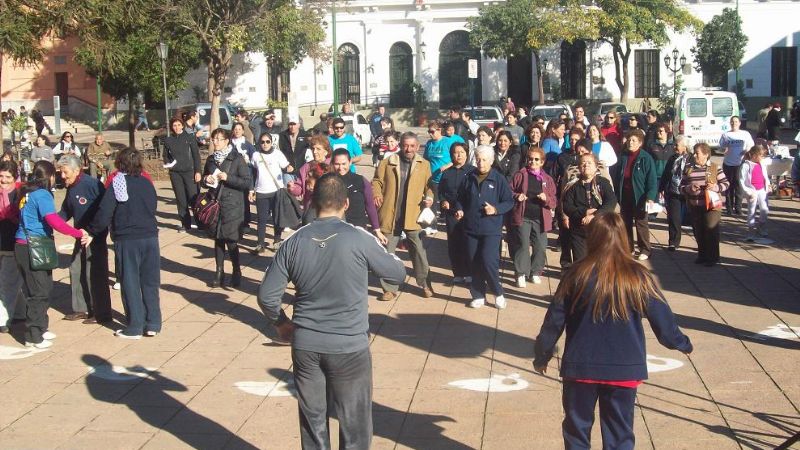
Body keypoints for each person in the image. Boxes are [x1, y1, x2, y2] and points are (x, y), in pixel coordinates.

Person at [257, 173, 405, 450]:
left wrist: (281, 323)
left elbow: (266, 295)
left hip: (307, 344)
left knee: (313, 421)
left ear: (313, 203)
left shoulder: (294, 241)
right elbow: (397, 273)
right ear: (346, 204)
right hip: (349, 345)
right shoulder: (359, 237)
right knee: (355, 424)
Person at [533, 211, 693, 450]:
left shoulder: (575, 274)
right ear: (623, 237)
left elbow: (553, 322)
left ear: (592, 238)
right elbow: (664, 322)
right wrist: (681, 343)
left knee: (576, 430)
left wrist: (542, 354)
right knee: (619, 433)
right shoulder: (639, 276)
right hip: (624, 368)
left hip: (581, 367)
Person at [87, 149, 160, 339]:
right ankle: (153, 323)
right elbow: (153, 205)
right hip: (150, 236)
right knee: (150, 281)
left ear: (120, 163)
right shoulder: (146, 182)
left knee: (130, 281)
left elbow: (105, 211)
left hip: (127, 237)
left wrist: (93, 231)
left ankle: (135, 326)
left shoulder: (117, 183)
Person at [16, 161, 88, 348]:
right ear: (49, 176)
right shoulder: (42, 195)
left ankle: (41, 327)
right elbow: (54, 221)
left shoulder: (27, 192)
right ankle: (33, 335)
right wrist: (78, 233)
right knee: (38, 292)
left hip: (29, 245)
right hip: (33, 245)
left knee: (45, 287)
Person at [372, 132, 434, 301]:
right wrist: (377, 193)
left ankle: (425, 284)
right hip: (391, 214)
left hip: (413, 215)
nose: (409, 149)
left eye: (412, 146)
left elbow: (430, 186)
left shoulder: (424, 164)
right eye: (405, 145)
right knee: (387, 254)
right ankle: (389, 289)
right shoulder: (388, 162)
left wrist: (429, 197)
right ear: (401, 145)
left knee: (419, 252)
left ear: (418, 147)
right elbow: (377, 180)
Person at [455, 145, 514, 309]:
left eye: (484, 160)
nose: (481, 163)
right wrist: (459, 209)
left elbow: (509, 202)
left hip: (491, 229)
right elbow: (460, 198)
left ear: (491, 161)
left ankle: (498, 292)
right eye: (478, 159)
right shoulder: (469, 177)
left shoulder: (498, 179)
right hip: (471, 228)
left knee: (489, 261)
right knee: (474, 262)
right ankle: (478, 295)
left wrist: (495, 209)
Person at [57, 155, 112, 324]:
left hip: (94, 235)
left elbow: (104, 209)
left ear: (76, 170)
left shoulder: (91, 185)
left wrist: (95, 232)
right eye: (61, 172)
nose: (62, 176)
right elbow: (66, 210)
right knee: (76, 269)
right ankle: (81, 308)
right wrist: (52, 220)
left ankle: (101, 312)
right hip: (80, 235)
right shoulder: (71, 187)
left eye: (65, 172)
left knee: (94, 274)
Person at [202, 128, 253, 288]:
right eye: (213, 139)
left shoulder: (236, 158)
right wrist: (206, 179)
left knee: (231, 240)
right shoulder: (211, 159)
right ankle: (219, 272)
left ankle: (236, 270)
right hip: (215, 203)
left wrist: (228, 178)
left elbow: (246, 181)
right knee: (217, 239)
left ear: (226, 141)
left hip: (233, 205)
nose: (215, 142)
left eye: (218, 139)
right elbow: (203, 181)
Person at [508, 146, 557, 287]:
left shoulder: (547, 179)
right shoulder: (520, 175)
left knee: (540, 246)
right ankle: (521, 273)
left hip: (540, 218)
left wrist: (546, 198)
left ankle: (535, 272)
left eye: (536, 159)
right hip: (523, 216)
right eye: (530, 159)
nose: (533, 162)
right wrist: (517, 195)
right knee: (523, 245)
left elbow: (554, 201)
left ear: (542, 162)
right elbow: (509, 192)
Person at [562, 153, 618, 262]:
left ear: (596, 166)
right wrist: (585, 212)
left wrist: (594, 215)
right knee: (581, 262)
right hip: (579, 229)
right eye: (583, 163)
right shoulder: (573, 185)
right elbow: (567, 206)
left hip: (600, 227)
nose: (586, 165)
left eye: (589, 163)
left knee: (601, 260)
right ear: (579, 167)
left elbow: (611, 201)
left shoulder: (603, 183)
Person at [680, 142, 729, 267]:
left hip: (712, 205)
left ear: (706, 154)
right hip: (695, 205)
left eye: (698, 153)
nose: (695, 156)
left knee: (710, 229)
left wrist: (715, 187)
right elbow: (681, 186)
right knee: (698, 231)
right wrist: (689, 188)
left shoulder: (714, 167)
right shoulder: (689, 168)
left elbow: (726, 184)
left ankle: (712, 257)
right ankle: (702, 255)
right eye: (694, 153)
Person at [614, 129, 657, 261]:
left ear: (640, 143)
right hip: (625, 195)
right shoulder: (623, 156)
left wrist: (650, 197)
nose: (630, 142)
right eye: (629, 140)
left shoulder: (646, 158)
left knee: (641, 223)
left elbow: (652, 180)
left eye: (633, 140)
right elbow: (617, 176)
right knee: (625, 222)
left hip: (640, 196)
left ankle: (645, 249)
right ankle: (629, 248)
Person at [249, 132, 293, 254]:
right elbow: (252, 174)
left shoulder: (278, 154)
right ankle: (260, 244)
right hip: (261, 192)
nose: (265, 144)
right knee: (262, 219)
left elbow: (287, 167)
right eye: (262, 142)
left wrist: (289, 168)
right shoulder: (256, 155)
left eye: (267, 141)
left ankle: (277, 241)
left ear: (271, 142)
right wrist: (251, 190)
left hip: (276, 191)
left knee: (277, 217)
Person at [438, 142, 474, 284]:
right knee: (454, 242)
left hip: (468, 212)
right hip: (451, 212)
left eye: (462, 152)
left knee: (468, 243)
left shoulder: (473, 171)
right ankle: (458, 272)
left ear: (467, 154)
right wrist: (443, 201)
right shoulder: (447, 173)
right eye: (456, 152)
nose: (459, 155)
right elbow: (441, 191)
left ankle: (470, 272)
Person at [331, 149, 384, 241]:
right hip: (334, 228)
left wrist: (377, 229)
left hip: (358, 228)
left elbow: (370, 206)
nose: (340, 167)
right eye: (337, 164)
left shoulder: (360, 181)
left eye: (344, 164)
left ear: (350, 162)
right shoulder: (327, 182)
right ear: (332, 163)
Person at [164, 118, 202, 232]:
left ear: (182, 126)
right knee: (181, 199)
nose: (176, 127)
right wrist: (169, 164)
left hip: (189, 172)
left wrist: (198, 171)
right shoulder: (168, 140)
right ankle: (185, 224)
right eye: (174, 125)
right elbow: (165, 156)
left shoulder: (189, 138)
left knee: (193, 198)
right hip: (175, 173)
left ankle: (200, 222)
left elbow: (196, 156)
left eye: (178, 125)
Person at [0, 160, 22, 332]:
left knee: (7, 282)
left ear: (15, 177)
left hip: (12, 243)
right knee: (14, 281)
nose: (4, 180)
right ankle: (20, 312)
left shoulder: (19, 193)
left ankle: (2, 319)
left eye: (8, 177)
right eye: (1, 176)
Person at [659, 135, 690, 251]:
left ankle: (701, 242)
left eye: (677, 145)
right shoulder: (672, 158)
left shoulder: (690, 158)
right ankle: (673, 242)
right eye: (674, 144)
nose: (675, 147)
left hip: (687, 191)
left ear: (685, 146)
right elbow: (666, 174)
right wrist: (661, 188)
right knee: (673, 217)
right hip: (673, 191)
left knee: (693, 219)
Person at [719, 116, 754, 216]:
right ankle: (729, 209)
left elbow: (751, 145)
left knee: (739, 186)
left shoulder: (745, 134)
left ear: (739, 123)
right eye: (732, 122)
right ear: (730, 123)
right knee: (729, 186)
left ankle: (738, 208)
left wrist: (746, 151)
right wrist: (724, 147)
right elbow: (721, 147)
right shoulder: (726, 135)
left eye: (736, 121)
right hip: (728, 163)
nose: (734, 123)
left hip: (740, 163)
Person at [739, 145, 770, 241]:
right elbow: (742, 180)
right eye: (760, 155)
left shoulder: (762, 164)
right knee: (751, 211)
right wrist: (748, 192)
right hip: (752, 191)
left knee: (764, 209)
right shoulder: (746, 165)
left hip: (762, 190)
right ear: (754, 155)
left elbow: (765, 176)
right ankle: (751, 231)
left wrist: (768, 185)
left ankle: (761, 226)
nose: (762, 157)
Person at [293, 135, 332, 209]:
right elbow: (299, 187)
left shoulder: (332, 165)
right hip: (311, 206)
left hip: (329, 206)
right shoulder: (306, 166)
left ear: (326, 152)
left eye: (318, 149)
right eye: (313, 149)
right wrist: (292, 188)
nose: (314, 152)